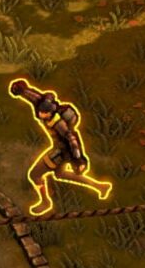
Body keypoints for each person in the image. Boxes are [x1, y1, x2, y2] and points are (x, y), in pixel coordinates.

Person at [10, 78, 113, 216]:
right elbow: (35, 98)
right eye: (40, 111)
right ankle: (100, 186)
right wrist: (22, 90)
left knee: (35, 174)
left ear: (50, 112)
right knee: (60, 174)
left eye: (44, 113)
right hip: (59, 148)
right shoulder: (44, 105)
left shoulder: (59, 123)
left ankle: (45, 202)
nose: (40, 115)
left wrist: (79, 160)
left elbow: (72, 140)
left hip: (61, 151)